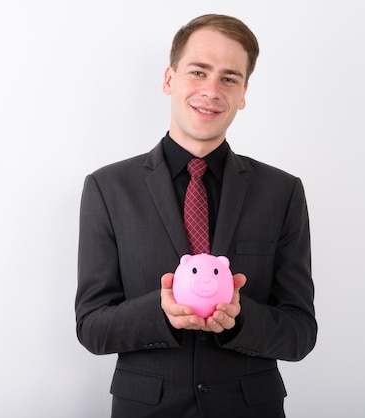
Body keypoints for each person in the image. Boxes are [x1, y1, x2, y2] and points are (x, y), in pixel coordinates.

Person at [74, 14, 317, 418]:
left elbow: (300, 334)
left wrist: (240, 319)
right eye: (198, 71)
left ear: (243, 93)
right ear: (169, 79)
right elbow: (92, 327)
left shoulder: (282, 191)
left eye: (228, 78)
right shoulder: (108, 188)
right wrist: (161, 313)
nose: (211, 90)